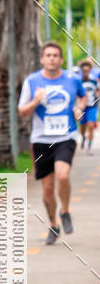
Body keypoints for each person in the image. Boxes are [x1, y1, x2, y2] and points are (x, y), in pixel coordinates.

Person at [18, 41, 86, 244]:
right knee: (47, 188)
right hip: (40, 140)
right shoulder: (32, 81)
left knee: (63, 175)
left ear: (61, 59)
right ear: (42, 59)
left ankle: (65, 211)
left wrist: (78, 109)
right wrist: (36, 100)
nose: (52, 58)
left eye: (56, 55)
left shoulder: (72, 79)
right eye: (48, 55)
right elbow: (22, 112)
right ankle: (53, 224)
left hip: (66, 137)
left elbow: (83, 98)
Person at [76, 59, 100, 153]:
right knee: (83, 126)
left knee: (90, 125)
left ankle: (89, 147)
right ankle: (83, 138)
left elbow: (98, 90)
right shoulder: (79, 80)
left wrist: (98, 94)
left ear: (90, 69)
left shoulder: (94, 80)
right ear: (82, 70)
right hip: (82, 107)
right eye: (84, 70)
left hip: (92, 106)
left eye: (87, 70)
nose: (86, 71)